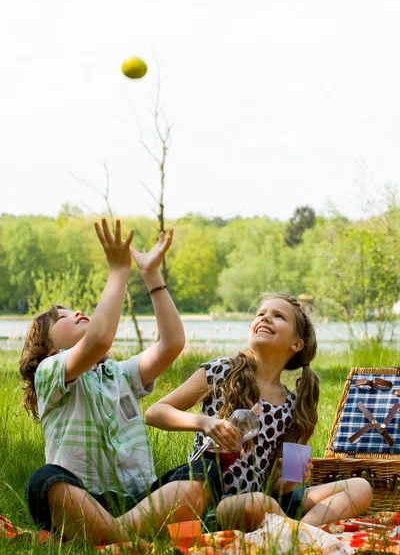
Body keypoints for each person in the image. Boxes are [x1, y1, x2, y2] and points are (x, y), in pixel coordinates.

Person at [19, 219, 221, 546]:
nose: (79, 312)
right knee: (43, 482)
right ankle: (128, 538)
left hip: (137, 501)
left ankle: (111, 537)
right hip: (81, 500)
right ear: (50, 348)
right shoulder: (50, 372)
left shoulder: (119, 373)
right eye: (64, 316)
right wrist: (118, 271)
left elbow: (172, 344)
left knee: (204, 475)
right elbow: (99, 339)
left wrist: (151, 276)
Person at [145, 292, 372, 531]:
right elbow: (155, 413)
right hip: (215, 501)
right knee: (259, 503)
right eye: (260, 314)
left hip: (267, 504)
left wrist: (291, 478)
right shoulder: (221, 371)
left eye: (278, 316)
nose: (265, 318)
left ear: (296, 344)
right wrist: (204, 423)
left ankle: (298, 534)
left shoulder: (296, 405)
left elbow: (279, 489)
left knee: (359, 487)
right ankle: (295, 534)